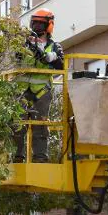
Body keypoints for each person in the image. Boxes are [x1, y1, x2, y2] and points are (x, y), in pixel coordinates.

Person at [14, 8, 64, 163]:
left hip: (42, 92)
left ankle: (40, 159)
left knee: (40, 127)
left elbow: (61, 65)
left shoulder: (55, 46)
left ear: (48, 26)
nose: (36, 26)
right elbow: (17, 57)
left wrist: (48, 56)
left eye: (40, 24)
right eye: (34, 23)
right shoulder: (24, 43)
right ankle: (17, 157)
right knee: (17, 126)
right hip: (22, 91)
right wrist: (29, 46)